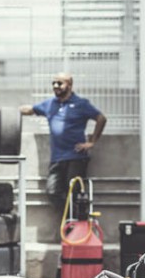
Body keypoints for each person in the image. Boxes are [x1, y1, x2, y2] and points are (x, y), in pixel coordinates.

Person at [20, 72, 107, 213]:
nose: (55, 86)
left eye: (59, 83)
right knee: (52, 191)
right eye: (53, 83)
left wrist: (92, 142)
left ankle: (77, 222)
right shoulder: (49, 104)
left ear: (69, 85)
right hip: (57, 158)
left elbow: (101, 119)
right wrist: (11, 111)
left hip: (76, 157)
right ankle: (71, 219)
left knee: (74, 192)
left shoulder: (81, 104)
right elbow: (30, 110)